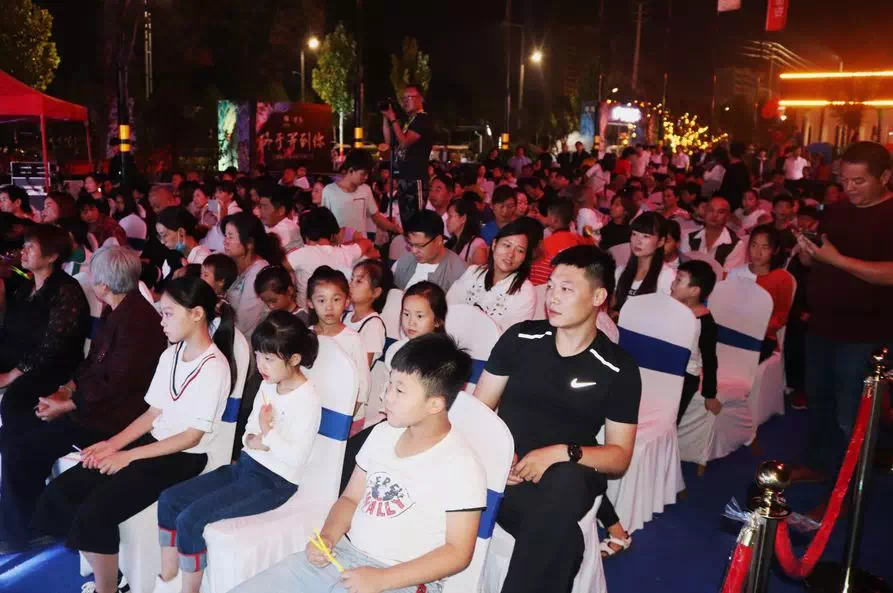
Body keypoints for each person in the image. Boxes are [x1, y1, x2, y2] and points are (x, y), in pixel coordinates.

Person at [231, 333, 485, 593]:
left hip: (402, 580)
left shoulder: (461, 465)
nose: (386, 396)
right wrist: (328, 536)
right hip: (344, 555)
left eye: (399, 390)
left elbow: (458, 552)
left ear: (435, 405)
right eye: (389, 384)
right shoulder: (383, 433)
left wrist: (381, 580)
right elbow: (350, 499)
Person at [32, 276, 235, 593]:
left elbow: (191, 437)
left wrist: (127, 456)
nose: (161, 321)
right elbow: (152, 414)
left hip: (183, 458)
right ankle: (111, 576)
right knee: (65, 489)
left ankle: (107, 589)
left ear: (197, 314)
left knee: (95, 512)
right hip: (154, 445)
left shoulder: (215, 367)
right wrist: (110, 445)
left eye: (168, 314)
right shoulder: (171, 354)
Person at [475, 245, 641, 593]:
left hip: (570, 474)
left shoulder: (618, 368)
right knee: (563, 542)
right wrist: (497, 459)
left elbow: (619, 456)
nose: (552, 297)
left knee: (564, 482)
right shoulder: (521, 338)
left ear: (598, 297)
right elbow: (478, 413)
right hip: (510, 472)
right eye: (550, 286)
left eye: (566, 289)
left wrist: (560, 453)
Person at [0, 246, 166, 553]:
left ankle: (19, 532)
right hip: (93, 405)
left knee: (22, 450)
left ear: (103, 286)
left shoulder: (137, 322)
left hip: (112, 419)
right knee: (16, 431)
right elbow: (94, 363)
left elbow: (116, 384)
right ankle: (24, 516)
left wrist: (68, 404)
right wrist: (67, 389)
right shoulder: (119, 308)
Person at [152, 312, 320, 593]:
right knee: (169, 500)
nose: (261, 365)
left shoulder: (307, 399)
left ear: (294, 359)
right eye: (258, 356)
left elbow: (295, 458)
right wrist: (259, 440)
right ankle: (168, 580)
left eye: (269, 359)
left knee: (190, 519)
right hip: (245, 467)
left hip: (275, 483)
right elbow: (247, 436)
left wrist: (266, 436)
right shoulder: (267, 385)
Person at [338, 281, 449, 494]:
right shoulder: (397, 348)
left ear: (437, 320)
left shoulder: (442, 358)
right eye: (406, 314)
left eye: (419, 316)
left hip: (417, 429)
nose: (411, 322)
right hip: (391, 421)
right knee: (349, 455)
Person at [0, 224, 90, 425]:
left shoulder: (66, 291)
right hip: (18, 357)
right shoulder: (27, 286)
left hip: (50, 367)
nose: (23, 252)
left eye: (30, 247)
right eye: (24, 246)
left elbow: (54, 346)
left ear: (52, 256)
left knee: (13, 402)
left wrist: (10, 376)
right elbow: (9, 330)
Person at [447, 219, 536, 331]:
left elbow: (510, 335)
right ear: (494, 245)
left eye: (520, 251)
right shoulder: (473, 272)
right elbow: (449, 306)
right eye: (507, 245)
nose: (511, 254)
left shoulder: (524, 291)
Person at [306, 266, 370, 421]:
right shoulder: (306, 336)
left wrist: (344, 420)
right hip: (312, 413)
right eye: (321, 300)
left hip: (345, 416)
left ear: (347, 301)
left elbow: (363, 385)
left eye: (336, 299)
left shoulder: (353, 339)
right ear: (310, 303)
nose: (329, 307)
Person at [287, 207, 377, 308]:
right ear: (332, 233)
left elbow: (279, 266)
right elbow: (367, 243)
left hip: (306, 312)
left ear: (305, 234)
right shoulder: (346, 252)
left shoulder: (299, 254)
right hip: (338, 311)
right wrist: (345, 244)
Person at [728, 225, 795, 362]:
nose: (758, 253)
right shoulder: (736, 273)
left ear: (775, 250)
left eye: (765, 248)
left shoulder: (783, 278)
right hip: (733, 332)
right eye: (754, 246)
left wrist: (754, 329)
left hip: (763, 337)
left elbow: (780, 317)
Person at [671, 260, 720, 423]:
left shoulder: (704, 322)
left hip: (686, 376)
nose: (672, 284)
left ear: (694, 291)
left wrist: (710, 394)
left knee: (671, 418)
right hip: (666, 368)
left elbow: (709, 359)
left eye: (679, 280)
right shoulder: (672, 309)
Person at [222, 212, 285, 336]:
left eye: (231, 237)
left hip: (246, 341)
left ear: (249, 243)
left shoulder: (259, 273)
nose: (225, 242)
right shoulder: (233, 266)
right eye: (225, 236)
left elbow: (244, 323)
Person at [381, 85, 434, 223]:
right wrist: (386, 118)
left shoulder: (422, 119)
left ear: (420, 99)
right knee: (406, 222)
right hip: (403, 179)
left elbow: (404, 143)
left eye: (409, 97)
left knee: (416, 222)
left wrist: (393, 119)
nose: (405, 101)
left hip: (415, 180)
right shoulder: (409, 122)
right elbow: (389, 142)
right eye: (403, 98)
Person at [321, 149, 401, 238]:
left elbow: (377, 217)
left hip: (362, 244)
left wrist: (396, 229)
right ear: (351, 170)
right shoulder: (329, 191)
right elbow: (324, 223)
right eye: (363, 174)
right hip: (339, 245)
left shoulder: (366, 190)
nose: (366, 177)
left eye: (367, 174)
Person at [613, 212, 676, 313]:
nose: (638, 241)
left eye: (646, 236)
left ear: (660, 242)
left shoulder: (667, 276)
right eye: (634, 234)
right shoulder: (620, 271)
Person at [392, 210, 467, 292]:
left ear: (438, 240)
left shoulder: (459, 273)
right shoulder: (403, 262)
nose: (414, 251)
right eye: (411, 244)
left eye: (420, 245)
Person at [528, 197, 593, 286]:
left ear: (554, 220)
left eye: (548, 215)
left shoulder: (544, 245)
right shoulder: (583, 241)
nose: (546, 218)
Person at [680, 196, 746, 273]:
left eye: (720, 212)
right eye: (710, 210)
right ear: (705, 212)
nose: (714, 215)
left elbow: (730, 276)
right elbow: (683, 268)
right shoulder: (689, 238)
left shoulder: (736, 245)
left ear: (728, 216)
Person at [345, 260, 391, 367]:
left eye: (358, 281)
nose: (350, 285)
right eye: (352, 279)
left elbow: (363, 368)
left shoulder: (373, 325)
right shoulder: (345, 316)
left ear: (375, 292)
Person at [156, 208, 212, 281]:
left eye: (164, 235)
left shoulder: (204, 261)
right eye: (159, 237)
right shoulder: (171, 260)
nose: (162, 242)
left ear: (181, 233)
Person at [445, 195, 488, 265]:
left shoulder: (477, 245)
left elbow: (479, 271)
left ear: (463, 218)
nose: (447, 220)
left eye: (450, 216)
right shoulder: (451, 243)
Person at [259, 184, 303, 251]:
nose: (261, 211)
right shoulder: (267, 224)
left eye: (265, 207)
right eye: (260, 206)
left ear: (281, 210)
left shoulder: (288, 229)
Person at [718, 142, 752, 211]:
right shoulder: (744, 167)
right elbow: (747, 186)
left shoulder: (731, 168)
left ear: (730, 153)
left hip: (729, 202)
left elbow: (725, 188)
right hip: (739, 202)